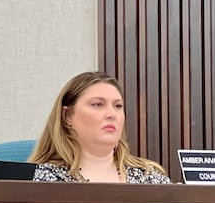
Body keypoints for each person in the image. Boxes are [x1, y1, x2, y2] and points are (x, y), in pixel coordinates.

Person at [29, 71, 168, 183]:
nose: (112, 114)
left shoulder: (150, 178)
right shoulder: (41, 180)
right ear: (67, 116)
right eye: (97, 104)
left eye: (118, 106)